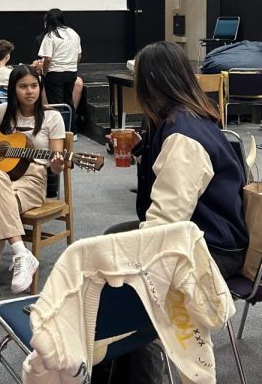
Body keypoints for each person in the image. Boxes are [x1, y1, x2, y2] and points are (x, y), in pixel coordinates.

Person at [96, 41, 248, 383]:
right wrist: (142, 147)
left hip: (212, 250)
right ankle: (114, 363)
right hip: (212, 234)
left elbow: (163, 228)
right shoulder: (193, 116)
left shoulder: (183, 138)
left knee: (124, 283)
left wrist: (126, 261)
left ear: (151, 85)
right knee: (110, 243)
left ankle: (137, 370)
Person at [0, 65, 66, 318]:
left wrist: (58, 163)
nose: (29, 91)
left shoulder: (52, 118)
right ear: (13, 89)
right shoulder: (2, 112)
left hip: (32, 180)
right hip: (1, 180)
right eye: (23, 86)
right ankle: (21, 253)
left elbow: (55, 162)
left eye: (34, 86)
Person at [37, 9, 82, 121]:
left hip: (55, 74)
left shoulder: (50, 36)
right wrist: (72, 65)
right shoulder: (73, 33)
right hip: (71, 72)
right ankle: (72, 131)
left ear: (48, 21)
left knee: (56, 105)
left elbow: (47, 58)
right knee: (69, 102)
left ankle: (61, 132)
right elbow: (79, 55)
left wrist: (45, 72)